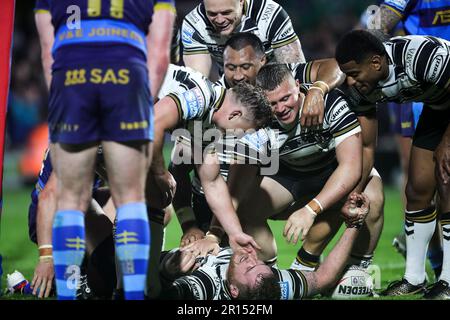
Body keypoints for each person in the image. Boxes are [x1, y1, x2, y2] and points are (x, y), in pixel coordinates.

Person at [35, 0, 175, 300]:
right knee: (132, 199)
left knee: (71, 201)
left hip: (72, 81)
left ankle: (68, 294)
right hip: (125, 80)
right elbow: (160, 55)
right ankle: (133, 295)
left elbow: (48, 55)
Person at [168, 33, 345, 248]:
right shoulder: (210, 100)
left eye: (245, 66)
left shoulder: (282, 81)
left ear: (263, 61)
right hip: (212, 204)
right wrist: (189, 224)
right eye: (230, 67)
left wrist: (318, 90)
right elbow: (179, 166)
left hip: (261, 193)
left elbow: (335, 66)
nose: (238, 75)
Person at [335, 30, 450, 299]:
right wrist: (358, 189)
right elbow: (367, 145)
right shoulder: (362, 90)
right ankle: (414, 278)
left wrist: (447, 143)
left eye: (354, 73)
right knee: (417, 190)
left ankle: (448, 280)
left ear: (376, 63)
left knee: (446, 183)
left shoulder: (422, 57)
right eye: (345, 74)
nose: (350, 82)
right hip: (439, 107)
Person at [150, 63, 272, 253]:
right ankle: (130, 280)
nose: (239, 137)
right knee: (150, 197)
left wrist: (235, 233)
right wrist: (160, 173)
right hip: (105, 93)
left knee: (153, 203)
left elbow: (213, 181)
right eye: (244, 131)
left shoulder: (208, 123)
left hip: (112, 118)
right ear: (235, 114)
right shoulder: (202, 96)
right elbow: (153, 123)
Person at [159, 193, 370, 300]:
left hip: (140, 267)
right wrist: (354, 224)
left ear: (233, 291)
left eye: (249, 267)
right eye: (260, 263)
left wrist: (167, 273)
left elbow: (162, 295)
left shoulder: (206, 286)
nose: (251, 257)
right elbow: (323, 279)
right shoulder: (274, 285)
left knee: (162, 210)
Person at [371, 0, 450, 280]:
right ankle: (435, 264)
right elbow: (374, 26)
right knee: (419, 182)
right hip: (419, 86)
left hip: (445, 77)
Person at [27, 148, 116, 299]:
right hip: (49, 216)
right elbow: (49, 196)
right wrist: (46, 257)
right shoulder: (79, 135)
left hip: (84, 202)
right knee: (108, 276)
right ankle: (75, 275)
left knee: (151, 202)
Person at [181, 0, 305, 79]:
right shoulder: (194, 24)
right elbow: (197, 81)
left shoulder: (270, 15)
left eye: (226, 12)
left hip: (274, 84)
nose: (219, 20)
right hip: (232, 88)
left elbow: (295, 71)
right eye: (212, 14)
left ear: (241, 1)